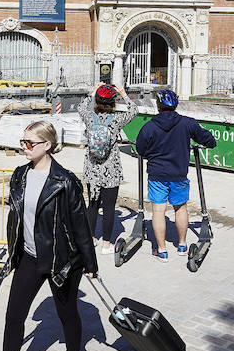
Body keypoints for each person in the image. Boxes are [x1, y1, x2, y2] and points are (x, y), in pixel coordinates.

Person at [0, 120, 98, 351]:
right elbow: (17, 218)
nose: (24, 147)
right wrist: (14, 252)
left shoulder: (65, 181)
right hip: (29, 257)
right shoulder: (20, 175)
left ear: (47, 145)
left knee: (67, 313)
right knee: (14, 318)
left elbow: (80, 226)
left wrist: (90, 264)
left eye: (30, 143)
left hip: (62, 261)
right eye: (23, 141)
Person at [133, 88, 217, 259]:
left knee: (158, 211)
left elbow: (140, 149)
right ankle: (182, 245)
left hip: (157, 175)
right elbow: (209, 140)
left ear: (158, 106)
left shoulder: (149, 126)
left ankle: (162, 250)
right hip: (179, 174)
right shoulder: (187, 123)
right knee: (180, 208)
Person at [77, 84, 130, 254]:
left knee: (92, 205)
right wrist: (123, 93)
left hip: (92, 168)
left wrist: (93, 92)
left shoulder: (89, 117)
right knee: (109, 208)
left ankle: (91, 238)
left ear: (97, 101)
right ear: (113, 102)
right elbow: (134, 110)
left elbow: (80, 106)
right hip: (111, 169)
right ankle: (106, 245)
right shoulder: (116, 120)